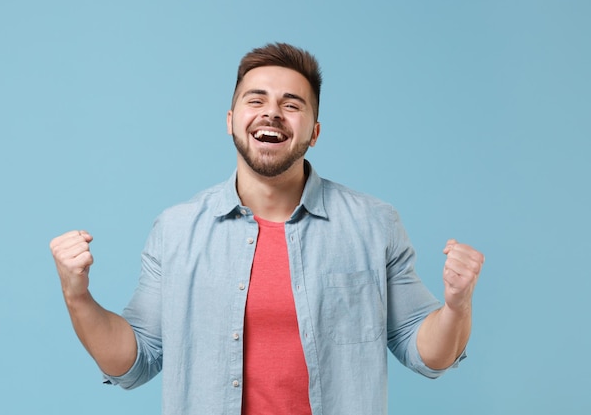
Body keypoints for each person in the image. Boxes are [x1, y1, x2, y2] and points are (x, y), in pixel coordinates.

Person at [50, 43, 485, 415]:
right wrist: (78, 296)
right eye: (255, 100)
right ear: (231, 119)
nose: (272, 113)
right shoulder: (176, 230)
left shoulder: (374, 224)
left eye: (291, 104)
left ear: (313, 132)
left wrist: (457, 306)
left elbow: (427, 353)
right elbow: (133, 360)